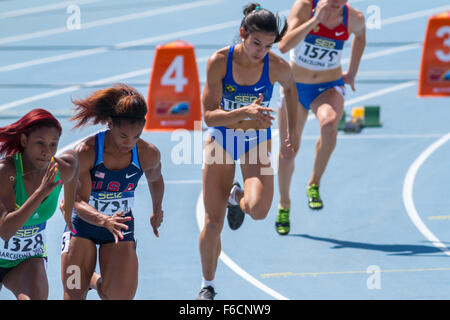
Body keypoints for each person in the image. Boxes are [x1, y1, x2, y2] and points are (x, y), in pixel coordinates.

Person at [198, 3, 298, 300]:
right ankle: (208, 285)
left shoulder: (277, 66)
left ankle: (235, 198)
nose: (261, 51)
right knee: (212, 223)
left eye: (268, 45)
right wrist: (244, 112)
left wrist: (289, 132)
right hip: (221, 141)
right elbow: (208, 116)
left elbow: (290, 89)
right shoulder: (219, 62)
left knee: (258, 210)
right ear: (243, 33)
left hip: (256, 143)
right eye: (256, 43)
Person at [60, 83, 164, 300]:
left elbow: (156, 180)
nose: (129, 144)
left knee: (118, 297)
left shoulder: (148, 154)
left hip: (120, 227)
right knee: (73, 294)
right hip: (82, 226)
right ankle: (84, 279)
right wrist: (103, 220)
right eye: (124, 136)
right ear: (110, 124)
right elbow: (77, 201)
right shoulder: (86, 152)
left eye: (136, 137)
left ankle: (94, 280)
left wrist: (157, 210)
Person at [275, 0, 366, 235]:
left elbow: (361, 36)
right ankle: (284, 204)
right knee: (288, 151)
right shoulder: (304, 8)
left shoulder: (352, 17)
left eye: (341, 1)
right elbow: (284, 46)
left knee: (328, 126)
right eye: (332, 1)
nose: (336, 5)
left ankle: (314, 183)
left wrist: (352, 71)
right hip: (295, 88)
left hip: (328, 86)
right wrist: (314, 21)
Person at [0, 108, 78, 300]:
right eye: (40, 143)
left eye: (53, 144)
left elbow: (74, 167)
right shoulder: (6, 172)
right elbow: (6, 230)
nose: (47, 152)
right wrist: (41, 192)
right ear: (24, 141)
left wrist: (68, 208)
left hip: (28, 257)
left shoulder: (63, 170)